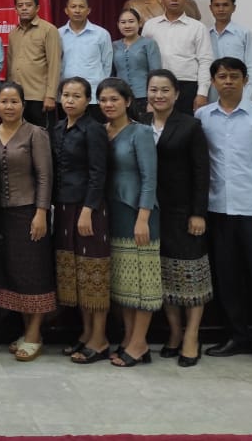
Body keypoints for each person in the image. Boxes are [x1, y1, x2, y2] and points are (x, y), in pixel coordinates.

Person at [197, 57, 252, 371]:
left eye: (234, 76)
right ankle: (236, 335)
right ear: (213, 82)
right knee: (227, 278)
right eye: (222, 76)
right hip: (218, 209)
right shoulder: (203, 116)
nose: (228, 81)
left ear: (245, 80)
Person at [145, 69, 212, 368]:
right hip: (152, 212)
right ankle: (174, 332)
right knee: (165, 276)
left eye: (164, 90)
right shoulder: (140, 124)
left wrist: (198, 213)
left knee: (191, 276)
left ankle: (192, 336)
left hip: (184, 213)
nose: (158, 95)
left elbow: (201, 172)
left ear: (176, 94)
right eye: (153, 89)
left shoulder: (190, 126)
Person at [96, 77, 161, 368]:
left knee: (143, 282)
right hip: (111, 213)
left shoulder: (141, 132)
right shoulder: (101, 131)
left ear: (128, 101)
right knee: (124, 283)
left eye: (114, 99)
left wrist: (143, 217)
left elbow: (150, 178)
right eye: (103, 100)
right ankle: (130, 339)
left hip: (138, 214)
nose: (108, 104)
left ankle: (139, 342)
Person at [0, 80, 55, 363]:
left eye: (14, 101)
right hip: (1, 215)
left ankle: (34, 333)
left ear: (23, 105)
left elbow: (45, 176)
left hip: (29, 213)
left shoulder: (35, 133)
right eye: (4, 101)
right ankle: (26, 330)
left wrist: (41, 212)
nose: (9, 106)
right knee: (13, 273)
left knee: (34, 273)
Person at [51, 76, 112, 364]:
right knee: (75, 274)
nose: (70, 100)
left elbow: (99, 173)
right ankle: (86, 334)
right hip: (64, 207)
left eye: (77, 96)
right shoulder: (58, 128)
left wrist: (88, 208)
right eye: (66, 95)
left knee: (93, 274)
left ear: (88, 100)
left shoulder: (94, 129)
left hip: (88, 210)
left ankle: (100, 339)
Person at [142, 0, 214, 114]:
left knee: (185, 124)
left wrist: (202, 93)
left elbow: (205, 60)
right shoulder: (150, 25)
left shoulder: (198, 27)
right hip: (157, 84)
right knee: (157, 124)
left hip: (187, 84)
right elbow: (143, 57)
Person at [7, 0, 61, 128]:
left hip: (39, 96)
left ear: (37, 8)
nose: (24, 8)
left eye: (28, 5)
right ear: (16, 9)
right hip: (17, 96)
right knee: (19, 134)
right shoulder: (13, 33)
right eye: (20, 5)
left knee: (41, 135)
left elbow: (54, 64)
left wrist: (51, 96)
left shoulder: (49, 30)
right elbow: (10, 63)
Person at [208, 0, 252, 100]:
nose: (221, 9)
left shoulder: (245, 34)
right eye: (217, 5)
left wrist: (246, 99)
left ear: (233, 8)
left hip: (239, 95)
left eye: (225, 5)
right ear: (211, 8)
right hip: (210, 96)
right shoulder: (204, 34)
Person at [58, 0, 113, 104]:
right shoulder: (58, 34)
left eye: (81, 7)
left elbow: (107, 64)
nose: (77, 10)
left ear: (88, 10)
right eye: (73, 7)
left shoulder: (101, 34)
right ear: (66, 10)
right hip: (66, 94)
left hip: (93, 94)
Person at [112, 8, 161, 119]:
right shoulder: (114, 45)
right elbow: (112, 73)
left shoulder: (149, 44)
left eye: (131, 21)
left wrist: (152, 100)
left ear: (139, 23)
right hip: (120, 97)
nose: (127, 25)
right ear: (118, 25)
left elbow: (156, 74)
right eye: (123, 22)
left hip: (143, 97)